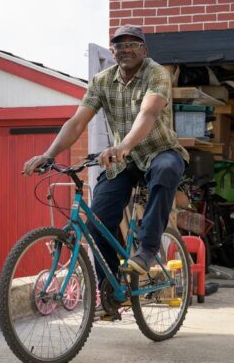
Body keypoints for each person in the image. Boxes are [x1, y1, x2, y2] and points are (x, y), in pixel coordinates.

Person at [22, 25, 189, 288]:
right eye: (120, 45)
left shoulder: (156, 73)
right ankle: (110, 291)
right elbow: (78, 122)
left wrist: (124, 145)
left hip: (159, 152)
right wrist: (48, 154)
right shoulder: (101, 81)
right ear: (112, 52)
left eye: (133, 44)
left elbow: (148, 113)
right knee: (97, 223)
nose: (126, 50)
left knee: (166, 169)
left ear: (144, 50)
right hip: (123, 162)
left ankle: (147, 249)